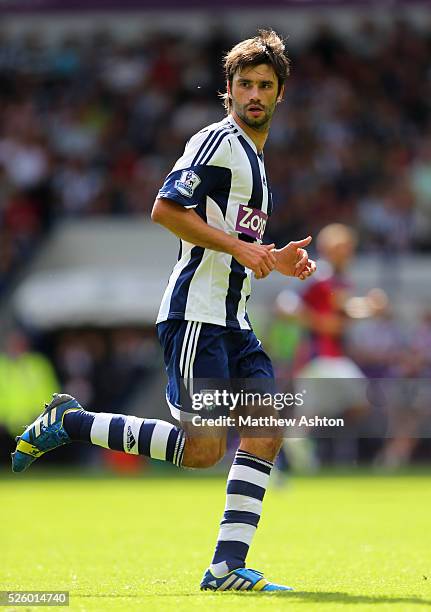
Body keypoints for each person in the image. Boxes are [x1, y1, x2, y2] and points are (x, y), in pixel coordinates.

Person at [11, 30, 316, 592]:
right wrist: (246, 249)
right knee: (202, 451)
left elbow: (227, 240)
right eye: (244, 84)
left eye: (264, 85)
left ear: (279, 95)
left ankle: (226, 569)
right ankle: (70, 421)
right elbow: (165, 208)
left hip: (234, 320)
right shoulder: (218, 141)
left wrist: (272, 256)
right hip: (196, 316)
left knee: (266, 430)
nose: (254, 93)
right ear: (228, 90)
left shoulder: (256, 161)